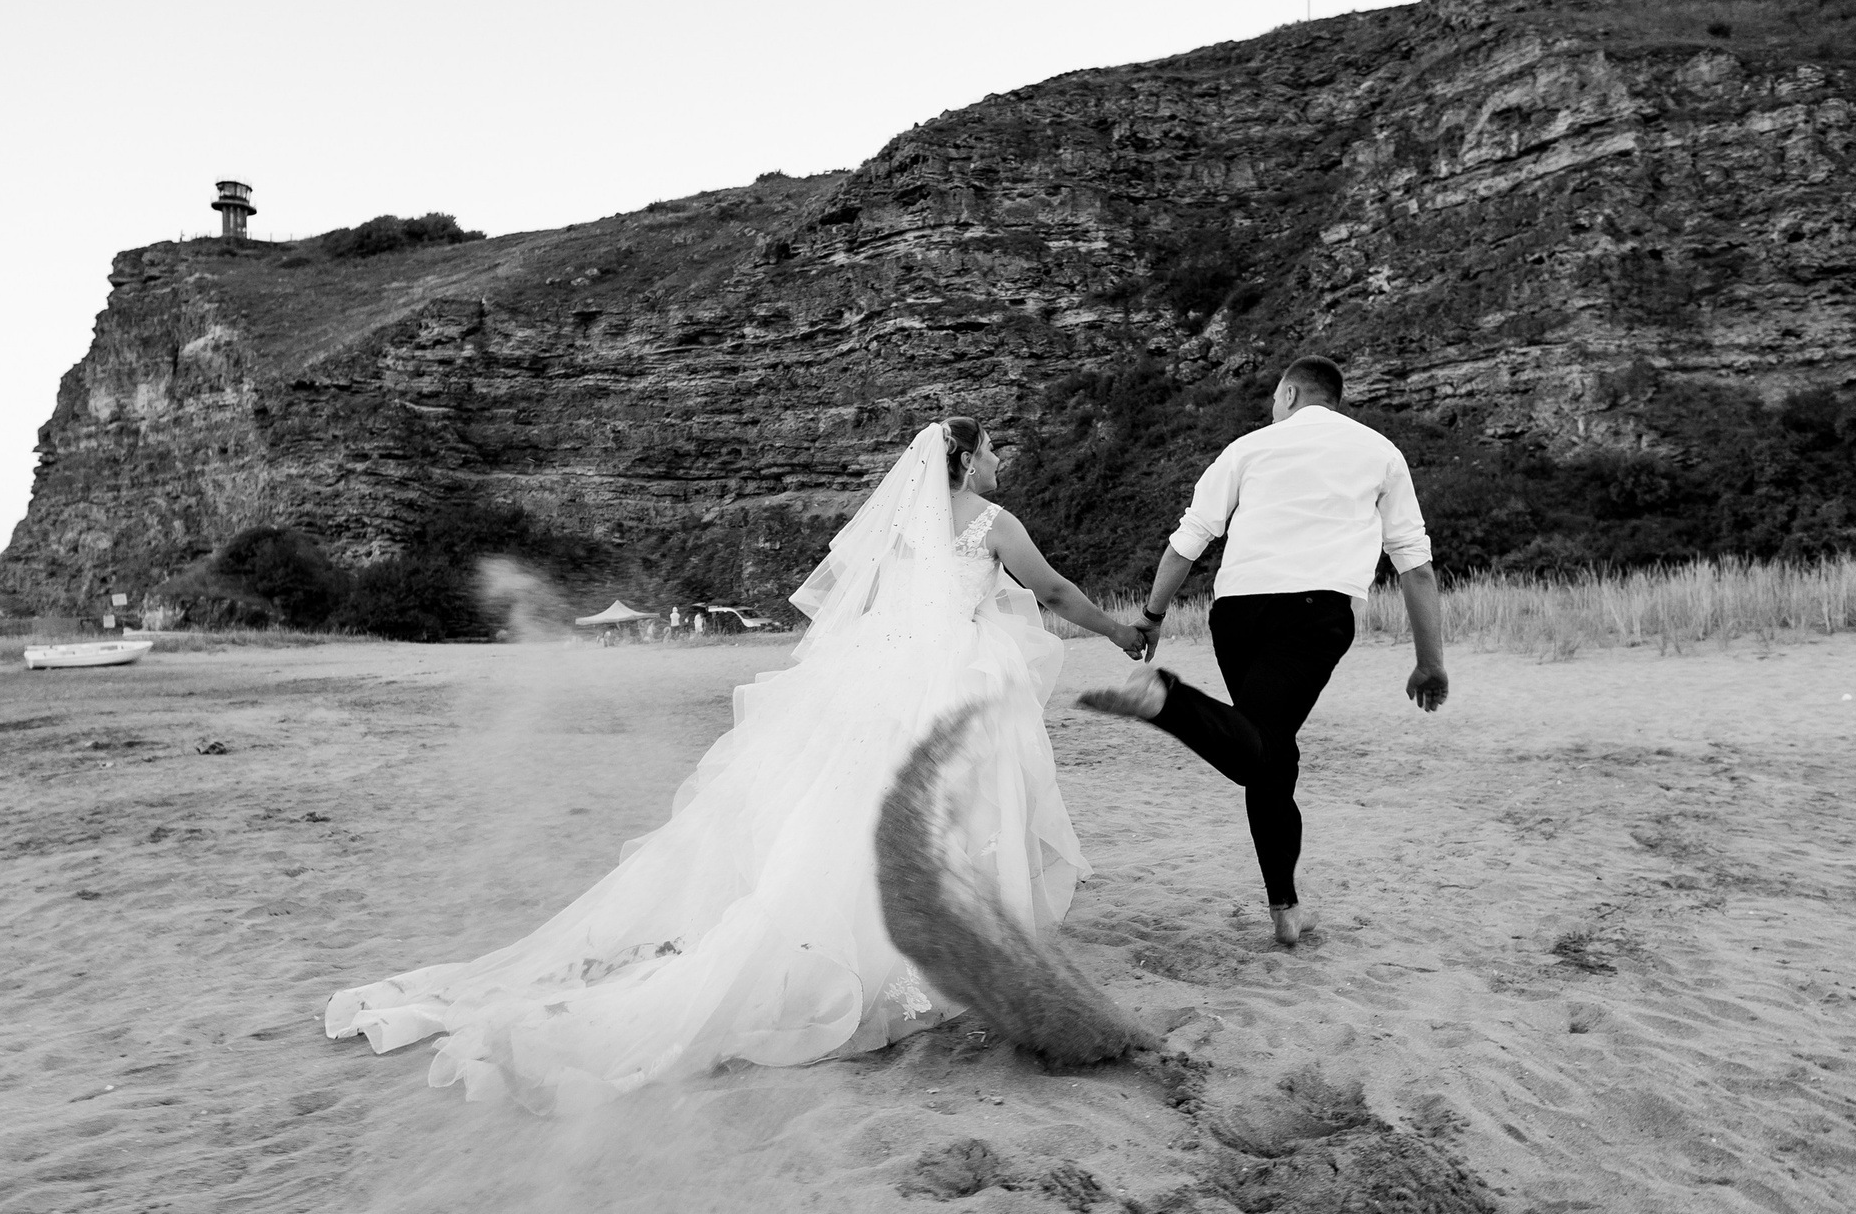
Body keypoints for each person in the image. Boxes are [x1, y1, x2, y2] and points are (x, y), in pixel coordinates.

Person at [325, 418, 1145, 1113]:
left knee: (851, 809)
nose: (1002, 463)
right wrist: (1120, 633)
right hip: (946, 675)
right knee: (953, 807)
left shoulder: (896, 532)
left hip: (878, 675)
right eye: (994, 450)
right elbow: (1059, 591)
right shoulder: (991, 522)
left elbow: (854, 610)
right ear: (966, 462)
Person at [1077, 356, 1448, 948]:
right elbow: (1415, 565)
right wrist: (1430, 661)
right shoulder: (1380, 452)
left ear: (1290, 392)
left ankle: (1285, 907)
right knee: (1261, 752)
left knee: (1271, 753)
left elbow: (1188, 541)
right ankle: (1167, 701)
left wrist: (1150, 617)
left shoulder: (1245, 450)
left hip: (1236, 614)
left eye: (1275, 400)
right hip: (1313, 614)